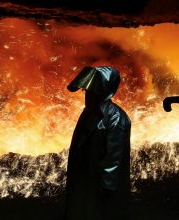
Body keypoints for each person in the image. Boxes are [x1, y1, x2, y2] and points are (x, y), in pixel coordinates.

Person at [65, 66, 131, 220]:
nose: (87, 95)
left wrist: (107, 184)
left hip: (100, 183)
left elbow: (115, 155)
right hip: (85, 179)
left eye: (92, 91)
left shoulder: (116, 118)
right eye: (86, 91)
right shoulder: (88, 113)